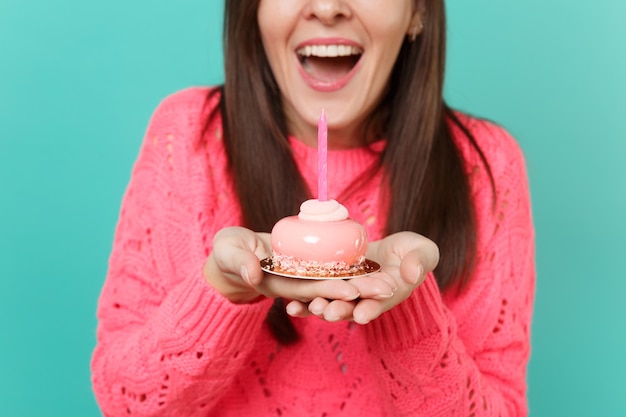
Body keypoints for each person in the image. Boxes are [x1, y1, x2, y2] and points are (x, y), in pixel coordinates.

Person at [91, 0, 535, 415]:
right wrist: (222, 290)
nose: (326, 8)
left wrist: (407, 308)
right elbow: (127, 402)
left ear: (417, 11)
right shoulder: (187, 137)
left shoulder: (486, 166)